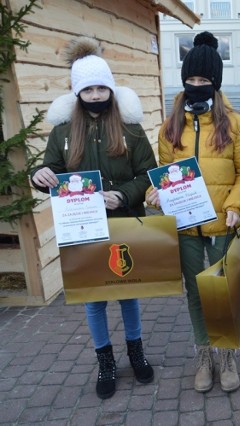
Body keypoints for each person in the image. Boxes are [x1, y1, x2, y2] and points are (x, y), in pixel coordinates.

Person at [30, 37, 157, 399]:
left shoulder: (130, 129)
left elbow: (148, 173)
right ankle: (105, 360)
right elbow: (50, 172)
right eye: (89, 89)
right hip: (82, 229)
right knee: (94, 298)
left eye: (103, 87)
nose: (97, 95)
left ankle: (136, 351)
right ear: (78, 92)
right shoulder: (63, 133)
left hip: (122, 223)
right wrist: (39, 177)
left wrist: (124, 195)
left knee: (128, 292)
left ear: (111, 89)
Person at [145, 31, 240, 394]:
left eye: (203, 81)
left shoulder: (235, 124)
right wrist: (155, 195)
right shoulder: (170, 126)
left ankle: (226, 353)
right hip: (186, 227)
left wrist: (237, 206)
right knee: (195, 292)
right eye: (190, 80)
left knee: (221, 289)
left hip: (223, 223)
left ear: (215, 83)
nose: (196, 86)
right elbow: (160, 175)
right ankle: (203, 354)